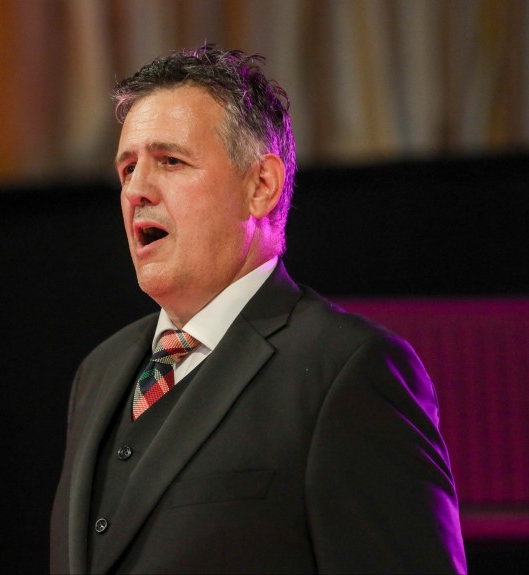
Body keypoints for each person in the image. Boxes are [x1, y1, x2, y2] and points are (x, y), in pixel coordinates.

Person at [49, 45, 466, 574]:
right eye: (128, 168)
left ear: (261, 186)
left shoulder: (348, 369)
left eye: (170, 161)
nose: (136, 191)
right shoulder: (100, 371)